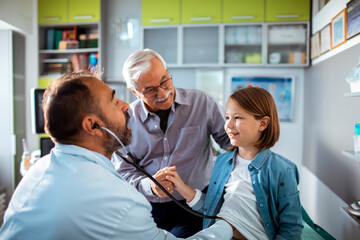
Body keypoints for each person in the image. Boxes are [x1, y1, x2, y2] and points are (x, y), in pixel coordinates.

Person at [0, 71, 234, 240]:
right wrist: (226, 225)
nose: (126, 106)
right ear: (93, 126)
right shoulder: (117, 199)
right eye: (114, 100)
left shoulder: (39, 169)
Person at [113, 49, 230, 237]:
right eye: (150, 90)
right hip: (147, 207)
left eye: (164, 80)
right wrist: (149, 186)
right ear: (134, 92)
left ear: (167, 72)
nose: (162, 93)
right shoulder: (125, 120)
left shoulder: (202, 103)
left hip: (196, 202)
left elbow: (231, 142)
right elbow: (123, 171)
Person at [166, 87, 304, 240]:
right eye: (227, 117)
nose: (228, 125)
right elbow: (212, 208)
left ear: (263, 124)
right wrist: (181, 186)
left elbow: (291, 228)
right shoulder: (222, 162)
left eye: (237, 118)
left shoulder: (282, 170)